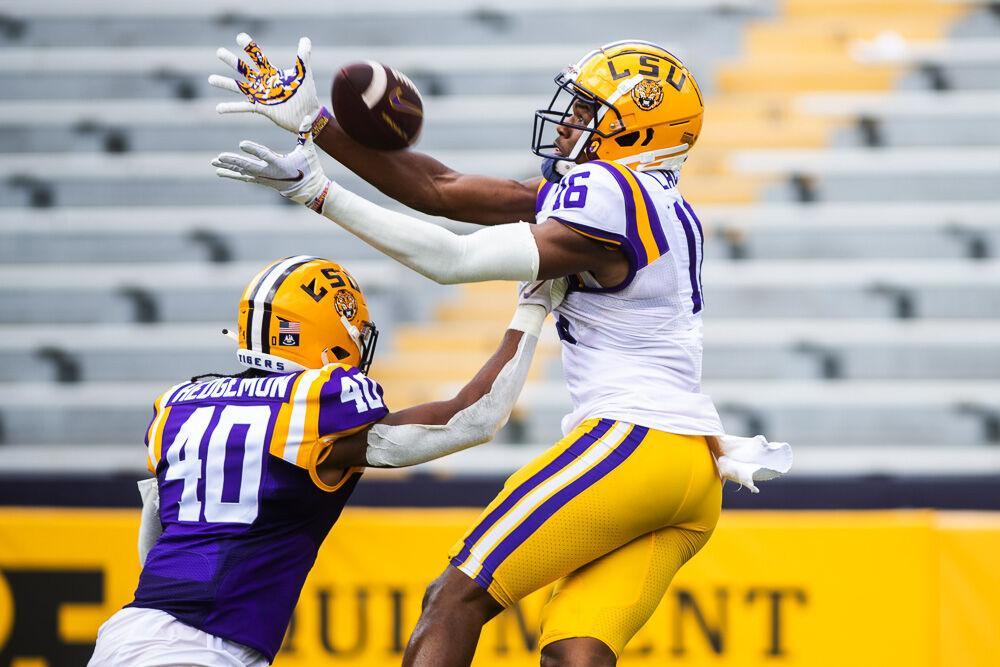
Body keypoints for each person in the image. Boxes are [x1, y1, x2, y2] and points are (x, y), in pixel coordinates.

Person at [209, 37, 791, 666]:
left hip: (636, 440)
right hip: (691, 468)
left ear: (637, 134)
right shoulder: (657, 202)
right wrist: (317, 125)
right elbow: (443, 187)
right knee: (573, 655)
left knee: (454, 597)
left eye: (589, 112)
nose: (569, 120)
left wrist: (318, 193)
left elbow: (451, 257)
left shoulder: (611, 190)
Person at [88, 255, 567, 666]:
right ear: (330, 333)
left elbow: (158, 534)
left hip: (132, 635)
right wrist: (532, 305)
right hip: (201, 650)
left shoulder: (179, 404)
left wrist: (213, 578)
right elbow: (472, 419)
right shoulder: (313, 403)